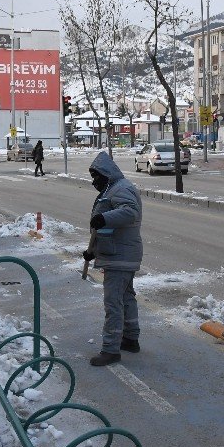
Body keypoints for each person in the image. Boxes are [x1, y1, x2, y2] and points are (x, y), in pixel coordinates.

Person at [82, 151, 143, 367]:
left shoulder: (121, 188)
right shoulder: (113, 188)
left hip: (121, 255)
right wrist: (93, 251)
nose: (93, 182)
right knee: (126, 298)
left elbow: (130, 212)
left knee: (113, 303)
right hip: (118, 253)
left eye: (96, 176)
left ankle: (110, 349)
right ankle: (130, 338)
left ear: (106, 174)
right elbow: (104, 230)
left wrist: (104, 217)